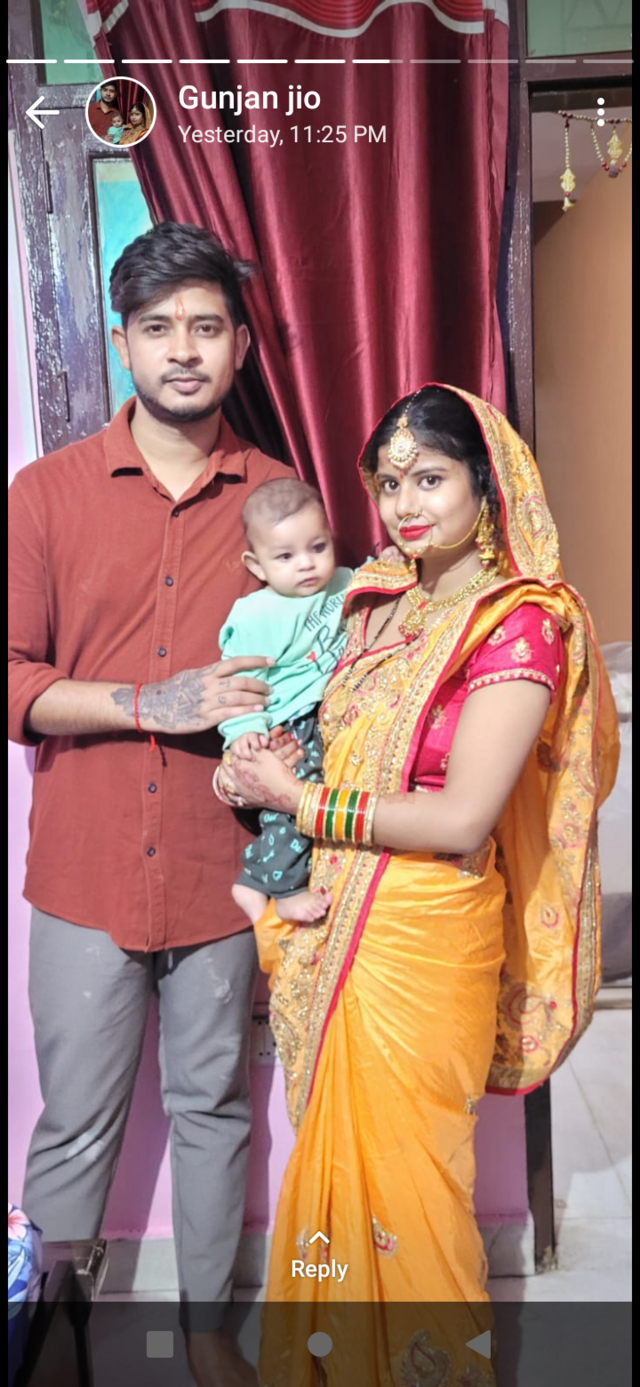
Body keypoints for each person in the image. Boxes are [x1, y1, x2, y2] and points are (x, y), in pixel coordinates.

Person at [218, 384, 620, 1387]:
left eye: (431, 478)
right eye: (390, 483)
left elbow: (461, 816)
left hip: (427, 929)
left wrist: (301, 802)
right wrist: (256, 768)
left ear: (485, 485)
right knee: (334, 1174)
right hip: (337, 916)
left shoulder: (520, 624)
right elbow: (327, 739)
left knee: (415, 1192)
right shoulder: (373, 601)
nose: (405, 503)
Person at [8, 220, 295, 1387]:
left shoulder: (281, 502)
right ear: (122, 343)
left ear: (240, 346)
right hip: (83, 870)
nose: (185, 349)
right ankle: (48, 1334)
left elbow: (321, 673)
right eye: (160, 327)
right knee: (75, 1120)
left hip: (220, 868)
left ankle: (210, 1333)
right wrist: (147, 700)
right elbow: (10, 676)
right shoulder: (45, 494)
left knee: (214, 1105)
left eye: (207, 326)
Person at [218, 477, 352, 927]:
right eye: (285, 557)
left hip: (328, 711)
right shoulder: (256, 614)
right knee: (296, 799)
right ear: (256, 565)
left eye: (318, 547)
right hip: (288, 721)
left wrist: (388, 563)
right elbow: (239, 681)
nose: (306, 564)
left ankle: (255, 881)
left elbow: (373, 578)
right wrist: (244, 732)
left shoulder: (343, 582)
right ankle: (281, 887)